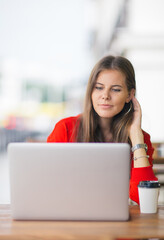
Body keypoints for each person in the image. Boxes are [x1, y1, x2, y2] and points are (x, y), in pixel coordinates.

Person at [47, 55, 158, 204]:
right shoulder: (66, 129)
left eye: (116, 90)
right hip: (71, 216)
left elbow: (144, 201)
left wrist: (136, 137)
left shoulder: (140, 139)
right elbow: (48, 187)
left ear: (129, 95)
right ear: (91, 91)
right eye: (99, 88)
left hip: (118, 223)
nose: (105, 96)